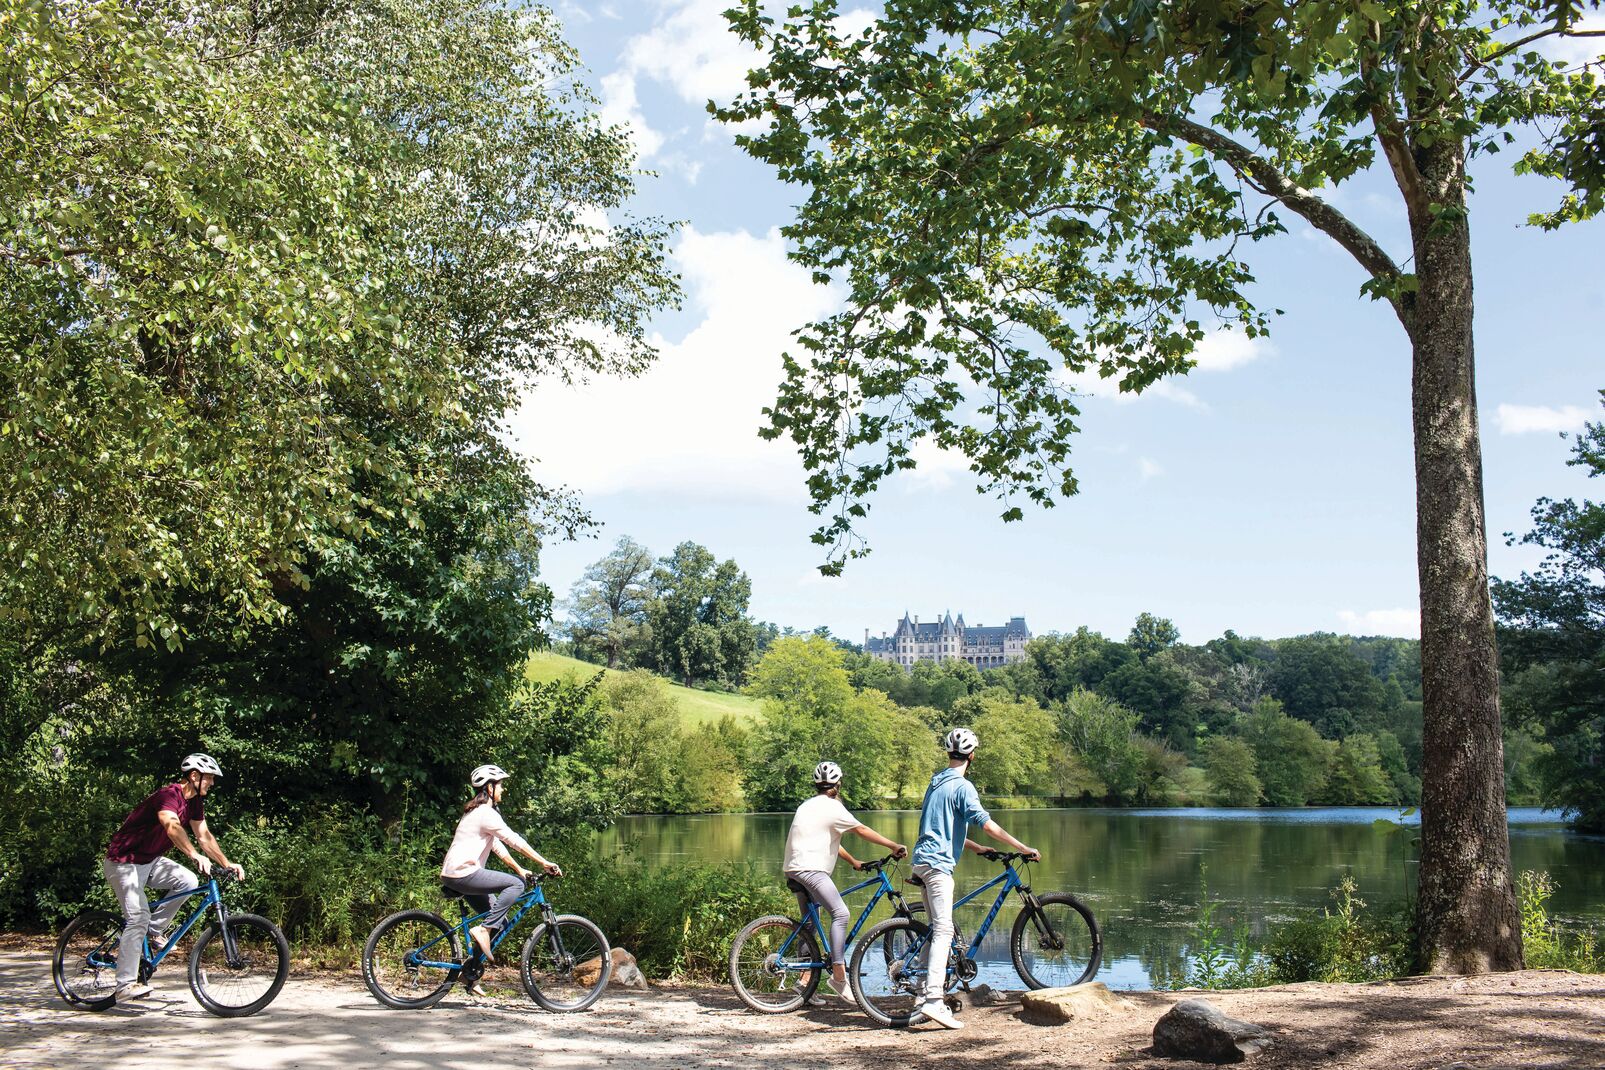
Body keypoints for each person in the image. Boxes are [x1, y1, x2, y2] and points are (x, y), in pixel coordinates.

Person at [909, 728, 1039, 1030]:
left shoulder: (936, 781)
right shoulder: (963, 786)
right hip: (939, 865)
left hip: (921, 861)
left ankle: (919, 991)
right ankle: (932, 1001)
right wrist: (1022, 847)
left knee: (933, 929)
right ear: (972, 756)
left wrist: (975, 847)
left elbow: (938, 828)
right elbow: (987, 824)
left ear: (948, 754)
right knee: (943, 931)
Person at [102, 753, 245, 1003]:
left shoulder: (195, 803)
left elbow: (204, 836)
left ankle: (152, 931)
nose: (211, 783)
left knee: (188, 882)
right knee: (137, 917)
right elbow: (171, 826)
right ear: (194, 776)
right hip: (124, 861)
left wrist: (227, 863)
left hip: (149, 860)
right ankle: (124, 984)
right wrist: (193, 855)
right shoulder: (168, 795)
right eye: (209, 778)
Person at [781, 760, 907, 1003]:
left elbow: (828, 839)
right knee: (840, 914)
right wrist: (893, 845)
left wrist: (854, 862)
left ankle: (804, 983)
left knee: (809, 924)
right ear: (837, 785)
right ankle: (839, 976)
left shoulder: (807, 806)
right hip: (811, 871)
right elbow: (861, 830)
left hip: (793, 870)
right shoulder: (832, 807)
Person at [440, 763, 561, 991]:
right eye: (501, 785)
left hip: (456, 874)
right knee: (516, 885)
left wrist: (519, 868)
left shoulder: (477, 813)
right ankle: (483, 930)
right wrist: (543, 862)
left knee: (500, 921)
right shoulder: (485, 812)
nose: (503, 789)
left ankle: (470, 972)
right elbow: (513, 839)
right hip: (464, 873)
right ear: (489, 787)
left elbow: (496, 845)